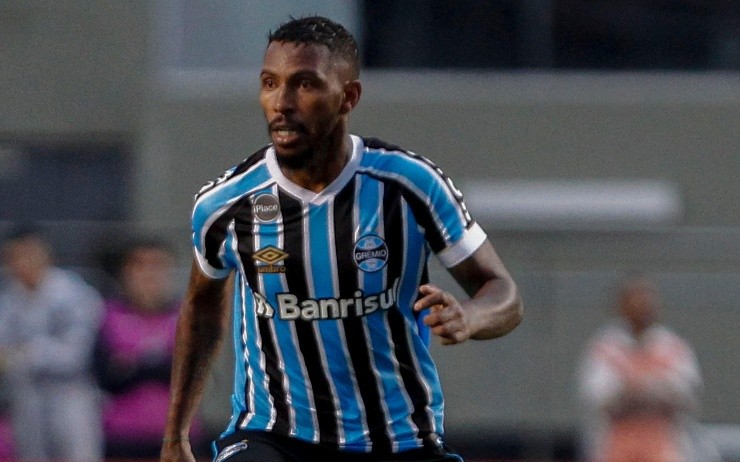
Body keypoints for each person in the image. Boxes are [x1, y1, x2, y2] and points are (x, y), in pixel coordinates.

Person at [160, 16, 523, 462]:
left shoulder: (410, 185)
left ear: (348, 96)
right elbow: (200, 309)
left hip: (398, 440)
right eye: (270, 83)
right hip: (274, 436)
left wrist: (470, 316)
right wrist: (175, 435)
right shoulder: (226, 204)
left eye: (304, 84)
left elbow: (503, 293)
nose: (282, 103)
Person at [577, 276, 714, 462]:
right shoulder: (605, 347)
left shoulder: (672, 346)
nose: (641, 307)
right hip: (615, 445)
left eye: (645, 300)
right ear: (621, 305)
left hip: (664, 444)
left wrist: (645, 388)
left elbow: (687, 392)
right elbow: (596, 395)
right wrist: (635, 392)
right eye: (634, 300)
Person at [94, 237, 206, 458]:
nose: (149, 275)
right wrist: (165, 363)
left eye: (157, 266)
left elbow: (196, 375)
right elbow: (106, 377)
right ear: (125, 273)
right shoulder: (108, 316)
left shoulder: (187, 318)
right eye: (139, 266)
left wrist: (134, 365)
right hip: (123, 438)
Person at [0, 224, 104, 461]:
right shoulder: (8, 299)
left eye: (28, 254)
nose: (21, 263)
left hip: (70, 393)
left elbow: (75, 355)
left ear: (45, 254)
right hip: (25, 396)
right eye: (14, 257)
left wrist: (22, 355)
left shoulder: (73, 293)